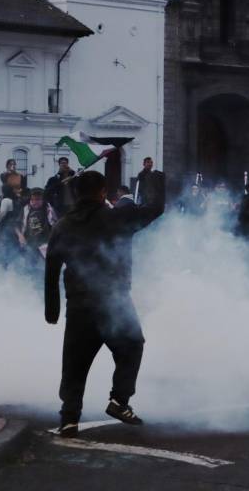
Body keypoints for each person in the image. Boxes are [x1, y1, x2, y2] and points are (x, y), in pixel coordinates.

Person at [45, 171, 164, 438]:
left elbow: (51, 269)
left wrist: (51, 309)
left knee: (75, 364)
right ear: (102, 192)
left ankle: (69, 419)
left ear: (76, 194)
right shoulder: (117, 219)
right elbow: (156, 208)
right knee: (132, 346)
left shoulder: (63, 225)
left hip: (79, 305)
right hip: (114, 301)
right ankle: (119, 401)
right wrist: (154, 180)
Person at [16, 188, 58, 274]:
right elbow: (16, 225)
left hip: (45, 245)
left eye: (38, 199)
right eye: (32, 199)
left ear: (43, 200)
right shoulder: (25, 209)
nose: (35, 202)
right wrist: (20, 236)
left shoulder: (49, 210)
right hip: (30, 244)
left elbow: (56, 225)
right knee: (30, 268)